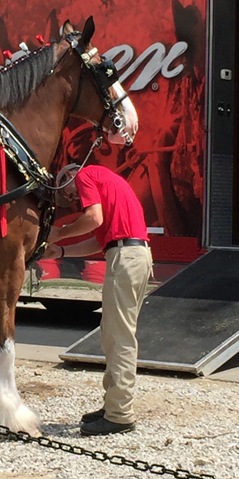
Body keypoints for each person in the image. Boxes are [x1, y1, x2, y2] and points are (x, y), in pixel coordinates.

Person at [45, 163, 153, 436]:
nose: (73, 200)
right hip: (131, 255)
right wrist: (61, 252)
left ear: (69, 176)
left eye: (69, 194)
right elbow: (98, 240)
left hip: (125, 258)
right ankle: (113, 405)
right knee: (113, 334)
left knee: (119, 337)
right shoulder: (106, 182)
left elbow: (92, 218)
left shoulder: (85, 175)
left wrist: (59, 232)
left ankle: (119, 415)